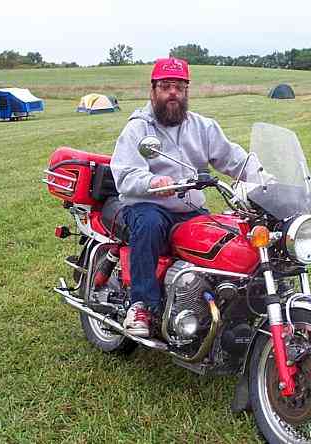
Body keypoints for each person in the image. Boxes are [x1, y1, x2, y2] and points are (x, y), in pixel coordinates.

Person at [110, 57, 262, 337]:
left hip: (190, 207)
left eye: (179, 87)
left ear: (186, 91)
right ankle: (142, 305)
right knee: (150, 225)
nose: (173, 93)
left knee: (226, 237)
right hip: (149, 204)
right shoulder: (138, 128)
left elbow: (233, 159)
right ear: (153, 89)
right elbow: (126, 173)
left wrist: (264, 178)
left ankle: (214, 304)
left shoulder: (203, 127)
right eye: (166, 86)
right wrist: (154, 182)